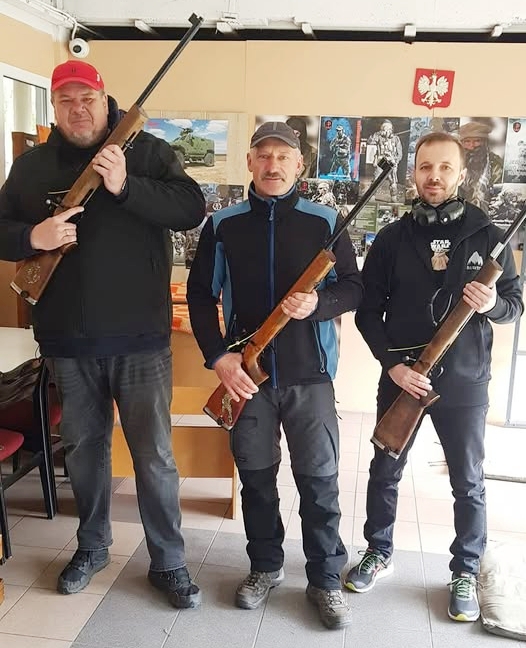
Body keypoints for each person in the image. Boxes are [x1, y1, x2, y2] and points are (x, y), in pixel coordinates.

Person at [0, 61, 206, 607]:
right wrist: (33, 236)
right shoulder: (31, 165)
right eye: (66, 100)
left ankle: (169, 560)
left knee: (154, 456)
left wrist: (124, 185)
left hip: (140, 341)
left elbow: (190, 209)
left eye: (86, 98)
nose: (78, 109)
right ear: (54, 107)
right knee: (84, 453)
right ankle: (92, 547)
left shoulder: (149, 153)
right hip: (68, 342)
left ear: (104, 98)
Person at [187, 121, 363, 629]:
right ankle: (265, 566)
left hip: (312, 377)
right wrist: (219, 357)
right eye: (263, 155)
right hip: (247, 377)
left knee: (320, 484)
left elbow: (355, 288)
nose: (272, 165)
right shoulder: (223, 224)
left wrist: (319, 304)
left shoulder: (325, 221)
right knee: (257, 481)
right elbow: (201, 295)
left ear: (298, 164)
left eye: (283, 156)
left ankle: (325, 579)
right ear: (249, 163)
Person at [344, 131, 523, 622]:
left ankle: (464, 569)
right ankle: (378, 551)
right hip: (402, 377)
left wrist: (493, 303)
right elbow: (367, 313)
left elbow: (513, 305)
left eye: (445, 167)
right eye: (426, 167)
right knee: (384, 471)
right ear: (414, 173)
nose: (435, 176)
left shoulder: (490, 236)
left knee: (468, 481)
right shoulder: (391, 239)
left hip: (464, 381)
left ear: (461, 173)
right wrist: (394, 366)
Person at [457, 121, 504, 214]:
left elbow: (498, 189)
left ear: (484, 142)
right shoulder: (454, 161)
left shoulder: (495, 163)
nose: (472, 146)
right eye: (467, 141)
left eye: (477, 141)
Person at [368, 119, 403, 201]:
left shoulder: (396, 139)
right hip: (381, 161)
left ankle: (393, 197)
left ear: (391, 129)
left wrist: (396, 161)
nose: (386, 130)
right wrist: (377, 134)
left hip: (392, 162)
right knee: (376, 179)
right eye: (384, 127)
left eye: (388, 128)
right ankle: (372, 196)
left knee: (393, 181)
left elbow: (400, 153)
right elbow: (369, 142)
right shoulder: (378, 137)